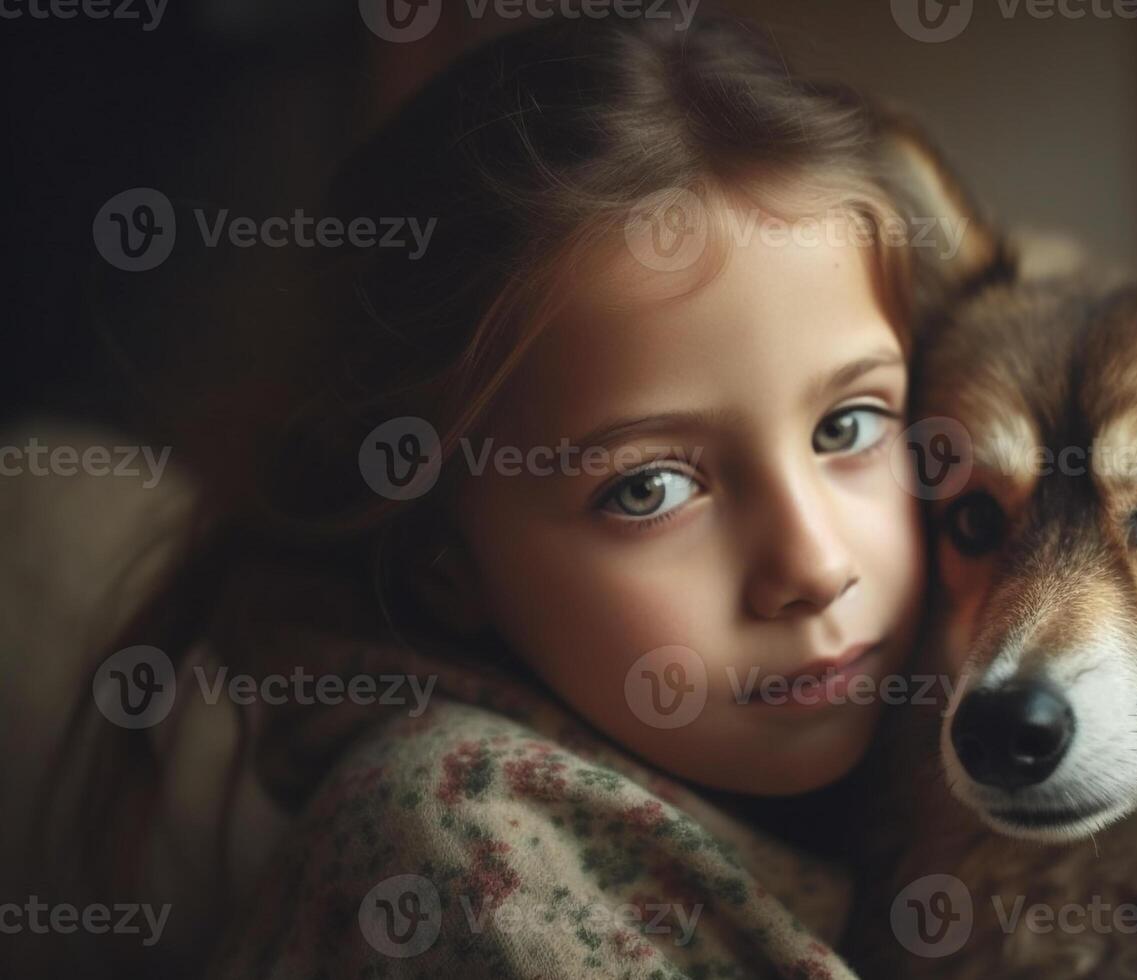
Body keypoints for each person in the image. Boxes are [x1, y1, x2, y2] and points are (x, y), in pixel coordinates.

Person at [49, 13, 971, 977]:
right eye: (650, 487)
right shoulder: (458, 858)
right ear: (442, 560)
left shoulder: (944, 761)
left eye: (850, 427)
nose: (815, 567)